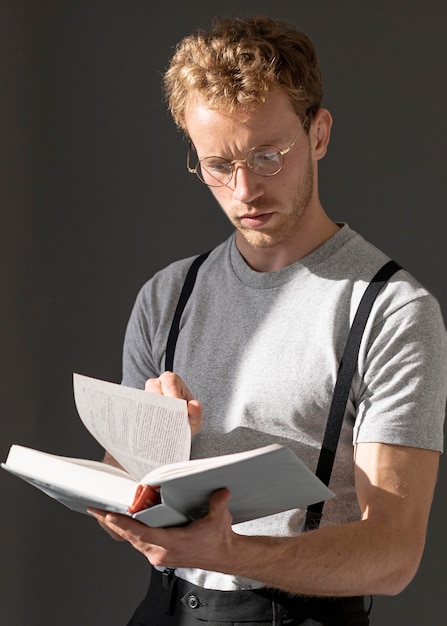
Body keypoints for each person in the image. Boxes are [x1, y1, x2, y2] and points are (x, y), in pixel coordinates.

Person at [89, 14, 447, 626]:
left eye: (268, 155)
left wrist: (230, 553)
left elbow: (393, 552)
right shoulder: (167, 296)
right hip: (165, 609)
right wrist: (147, 442)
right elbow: (120, 485)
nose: (245, 189)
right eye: (218, 165)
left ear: (319, 134)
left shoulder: (391, 311)